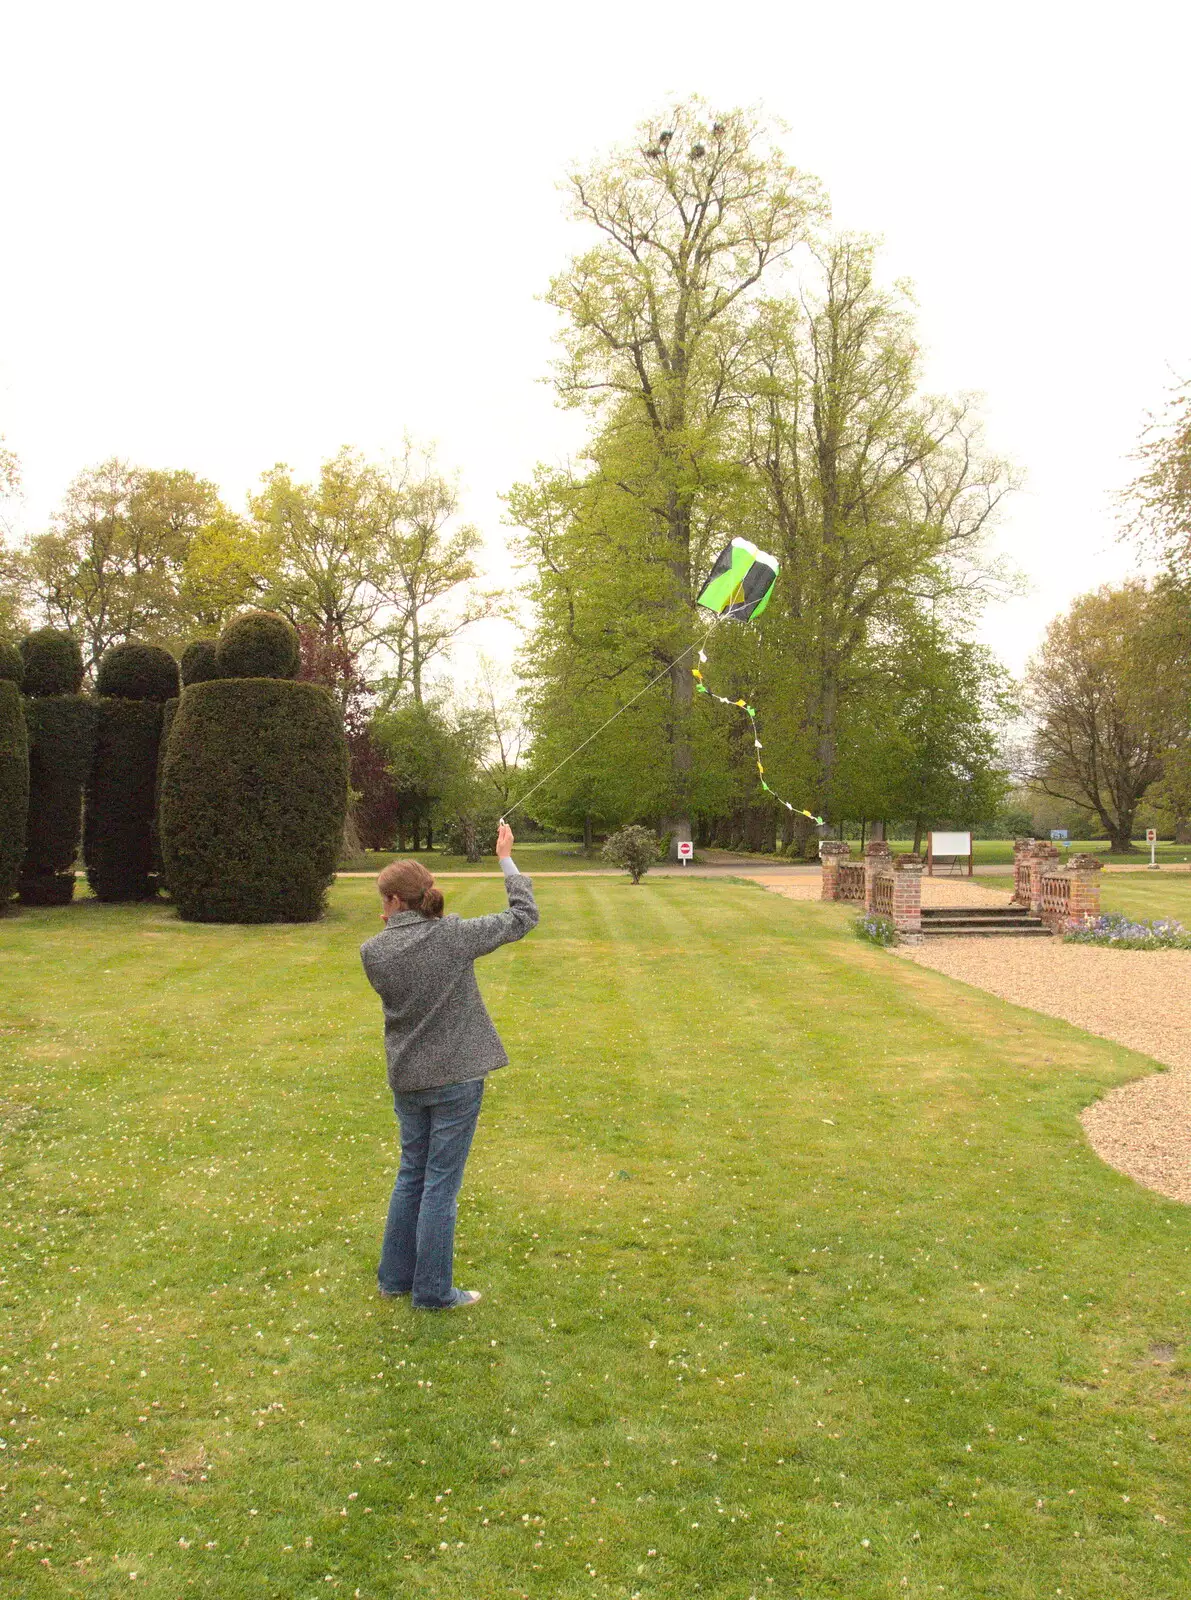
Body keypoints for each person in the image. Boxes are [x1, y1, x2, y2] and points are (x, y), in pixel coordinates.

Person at [360, 822, 538, 1310]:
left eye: (384, 899)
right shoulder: (452, 937)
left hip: (409, 1077)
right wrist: (506, 858)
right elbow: (524, 915)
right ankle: (434, 1293)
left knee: (412, 1174)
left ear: (395, 901)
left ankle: (395, 1279)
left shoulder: (373, 951)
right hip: (456, 1077)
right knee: (439, 1184)